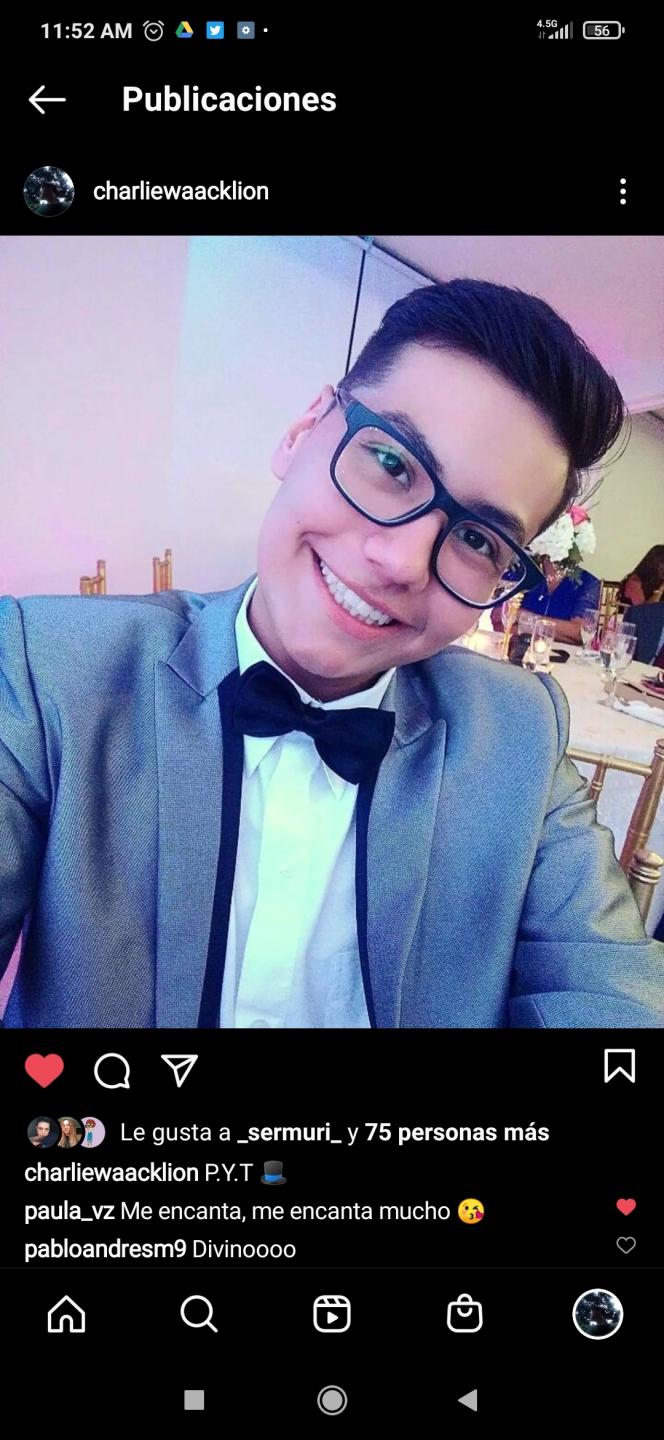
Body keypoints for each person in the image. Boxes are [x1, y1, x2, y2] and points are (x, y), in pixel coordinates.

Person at [1, 278, 664, 1028]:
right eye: (391, 464)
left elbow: (614, 993)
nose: (402, 562)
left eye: (478, 540)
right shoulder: (47, 669)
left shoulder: (517, 736)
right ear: (303, 431)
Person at [515, 558, 601, 644]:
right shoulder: (521, 570)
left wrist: (524, 618)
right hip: (517, 647)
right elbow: (507, 618)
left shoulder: (587, 582)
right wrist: (560, 630)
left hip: (561, 652)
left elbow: (580, 633)